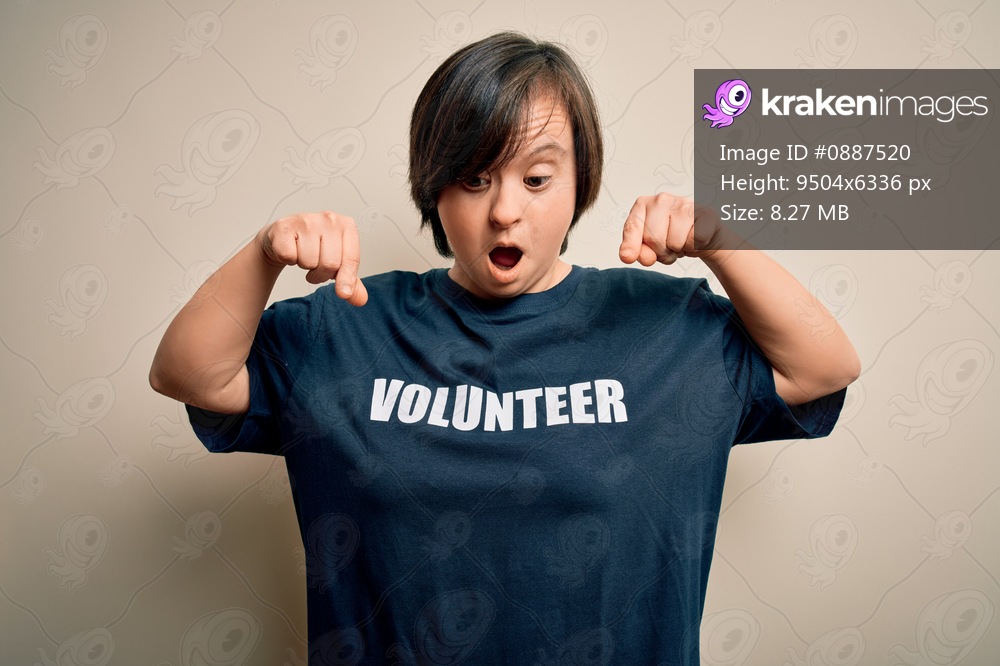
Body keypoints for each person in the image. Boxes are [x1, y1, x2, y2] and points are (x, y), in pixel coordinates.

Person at [150, 32, 859, 665]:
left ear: (581, 184)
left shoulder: (667, 327)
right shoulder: (345, 329)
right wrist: (264, 254)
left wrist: (720, 243)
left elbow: (823, 367)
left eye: (537, 178)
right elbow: (191, 374)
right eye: (474, 178)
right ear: (434, 191)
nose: (505, 210)